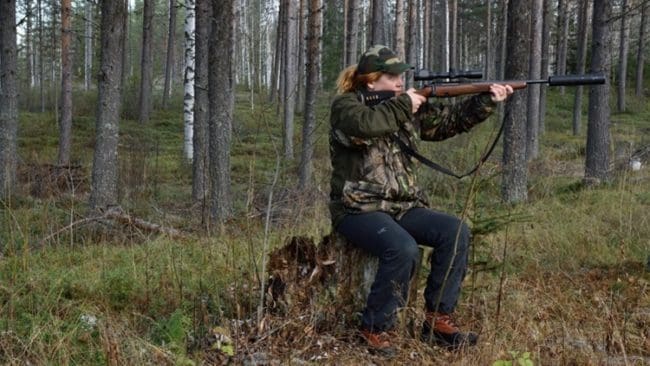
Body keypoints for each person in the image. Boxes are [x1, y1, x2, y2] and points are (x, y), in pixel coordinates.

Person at [329, 45, 513, 356]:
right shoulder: (347, 107)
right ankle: (375, 328)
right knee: (402, 249)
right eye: (390, 76)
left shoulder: (403, 107)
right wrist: (405, 105)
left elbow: (447, 124)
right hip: (358, 208)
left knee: (455, 232)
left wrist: (485, 101)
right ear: (371, 81)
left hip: (403, 205)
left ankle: (437, 321)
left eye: (400, 75)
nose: (399, 81)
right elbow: (366, 126)